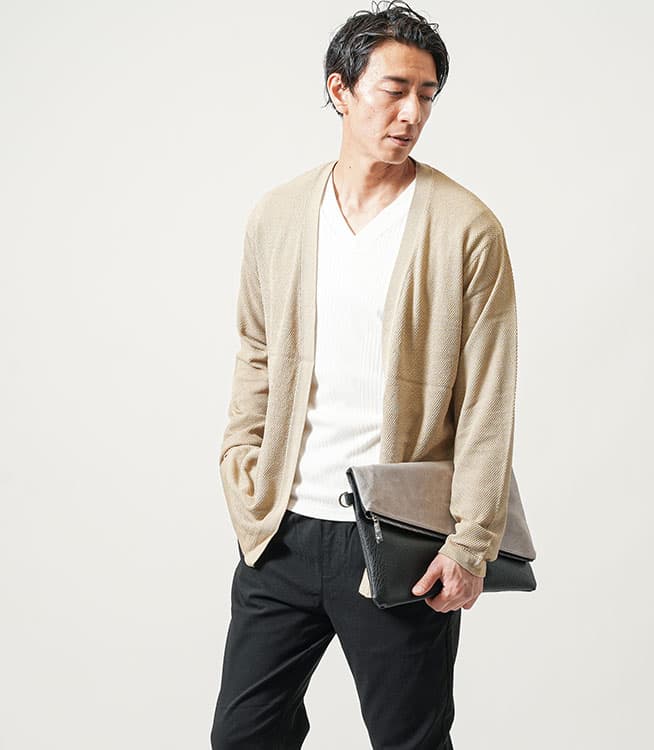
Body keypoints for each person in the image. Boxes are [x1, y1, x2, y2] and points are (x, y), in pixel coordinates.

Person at [210, 1, 519, 747]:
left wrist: (471, 542)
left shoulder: (466, 228)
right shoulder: (279, 215)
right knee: (243, 737)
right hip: (281, 530)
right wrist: (241, 462)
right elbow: (256, 350)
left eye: (427, 96)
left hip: (397, 539)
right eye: (395, 89)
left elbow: (488, 399)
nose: (412, 113)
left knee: (409, 740)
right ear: (341, 89)